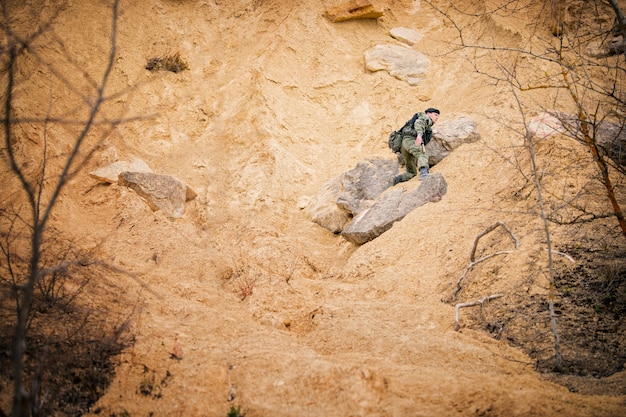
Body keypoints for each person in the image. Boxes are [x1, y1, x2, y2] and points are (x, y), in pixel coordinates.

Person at [392, 108, 440, 185]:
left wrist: (432, 131)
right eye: (435, 115)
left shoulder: (425, 121)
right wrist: (419, 135)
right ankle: (424, 174)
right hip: (411, 141)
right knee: (422, 154)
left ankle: (396, 180)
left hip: (403, 146)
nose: (437, 117)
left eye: (438, 116)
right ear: (428, 114)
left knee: (411, 172)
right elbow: (419, 123)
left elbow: (424, 127)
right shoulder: (425, 117)